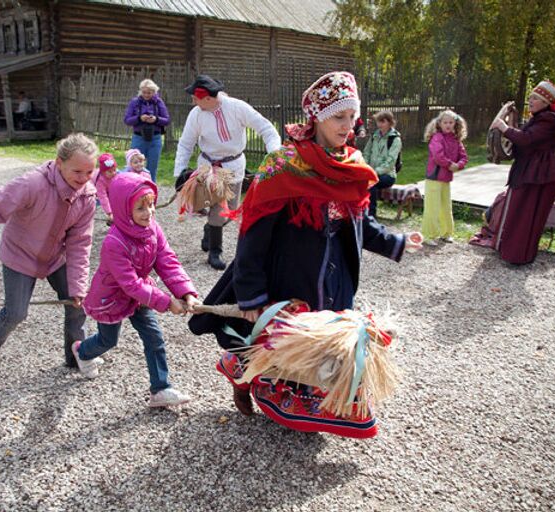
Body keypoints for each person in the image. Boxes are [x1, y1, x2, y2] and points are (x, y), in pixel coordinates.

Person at [188, 71, 423, 438]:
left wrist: (396, 242)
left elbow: (359, 222)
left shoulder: (351, 164)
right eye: (338, 117)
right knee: (278, 346)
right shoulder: (283, 165)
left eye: (352, 117)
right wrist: (250, 293)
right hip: (291, 273)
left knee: (322, 346)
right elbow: (252, 234)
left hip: (335, 275)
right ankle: (246, 376)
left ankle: (316, 408)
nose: (348, 126)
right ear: (317, 118)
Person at [0, 133, 98, 366]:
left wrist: (79, 285)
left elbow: (80, 242)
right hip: (20, 254)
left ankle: (77, 356)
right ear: (59, 163)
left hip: (56, 257)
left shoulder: (87, 195)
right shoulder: (31, 184)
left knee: (77, 303)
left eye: (89, 172)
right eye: (77, 172)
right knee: (16, 313)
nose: (84, 178)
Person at [72, 172, 199, 407]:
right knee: (108, 341)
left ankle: (160, 388)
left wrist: (185, 292)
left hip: (140, 297)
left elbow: (167, 261)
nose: (149, 212)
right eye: (141, 208)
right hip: (111, 298)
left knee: (154, 337)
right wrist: (166, 301)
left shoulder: (153, 229)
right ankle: (82, 351)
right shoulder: (114, 242)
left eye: (151, 205)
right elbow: (129, 283)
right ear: (123, 209)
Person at [173, 74, 281, 270]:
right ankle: (216, 251)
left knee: (229, 212)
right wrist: (179, 172)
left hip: (234, 167)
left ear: (207, 98)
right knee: (217, 210)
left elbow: (266, 128)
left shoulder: (237, 107)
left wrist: (274, 154)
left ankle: (210, 229)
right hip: (209, 167)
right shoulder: (196, 115)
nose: (193, 101)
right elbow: (186, 144)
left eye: (195, 97)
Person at [479, 80, 555, 265]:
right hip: (534, 171)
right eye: (530, 97)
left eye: (535, 98)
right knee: (520, 211)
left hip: (541, 173)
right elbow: (525, 141)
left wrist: (504, 127)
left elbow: (527, 140)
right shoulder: (541, 117)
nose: (530, 100)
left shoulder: (549, 119)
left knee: (527, 213)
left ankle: (518, 255)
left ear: (546, 102)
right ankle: (511, 251)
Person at [420, 110, 468, 246]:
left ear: (455, 124)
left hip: (446, 178)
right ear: (439, 124)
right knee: (432, 207)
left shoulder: (456, 139)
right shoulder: (437, 138)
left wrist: (458, 165)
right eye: (445, 122)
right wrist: (450, 165)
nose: (448, 125)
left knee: (446, 207)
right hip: (434, 177)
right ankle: (428, 234)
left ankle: (446, 233)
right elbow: (437, 156)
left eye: (451, 122)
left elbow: (464, 157)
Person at [124, 79, 170, 183]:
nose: (146, 95)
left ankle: (150, 192)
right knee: (134, 166)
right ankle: (133, 190)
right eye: (144, 92)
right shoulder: (135, 102)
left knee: (151, 168)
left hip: (155, 138)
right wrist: (139, 118)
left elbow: (167, 120)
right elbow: (127, 120)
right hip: (139, 138)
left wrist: (156, 119)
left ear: (154, 92)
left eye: (149, 93)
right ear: (140, 91)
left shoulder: (159, 103)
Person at [362, 110, 402, 217]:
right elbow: (366, 152)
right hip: (371, 172)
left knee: (371, 184)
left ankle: (371, 215)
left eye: (382, 121)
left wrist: (374, 172)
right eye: (378, 122)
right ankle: (359, 212)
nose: (379, 124)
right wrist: (365, 167)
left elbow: (390, 161)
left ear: (390, 122)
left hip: (387, 175)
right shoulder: (374, 136)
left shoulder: (395, 139)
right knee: (359, 182)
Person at [94, 152, 117, 219]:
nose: (113, 173)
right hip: (95, 188)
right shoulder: (100, 180)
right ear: (103, 172)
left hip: (108, 188)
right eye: (110, 171)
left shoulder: (115, 174)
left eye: (114, 170)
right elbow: (102, 196)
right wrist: (109, 212)